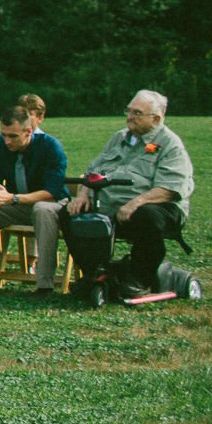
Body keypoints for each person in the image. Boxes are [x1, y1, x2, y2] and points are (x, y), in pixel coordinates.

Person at [67, 90, 194, 295]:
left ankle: (139, 277)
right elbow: (92, 172)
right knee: (69, 213)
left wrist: (136, 203)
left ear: (156, 118)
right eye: (129, 110)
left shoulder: (170, 144)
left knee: (145, 215)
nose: (130, 116)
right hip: (112, 205)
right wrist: (82, 195)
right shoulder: (119, 138)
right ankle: (95, 272)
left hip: (158, 207)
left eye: (137, 113)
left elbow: (171, 188)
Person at [0, 105, 68, 296]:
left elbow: (52, 191)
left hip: (51, 206)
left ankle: (44, 284)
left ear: (28, 131)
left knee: (42, 209)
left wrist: (13, 198)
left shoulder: (50, 146)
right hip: (15, 204)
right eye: (4, 134)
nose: (6, 141)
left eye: (12, 136)